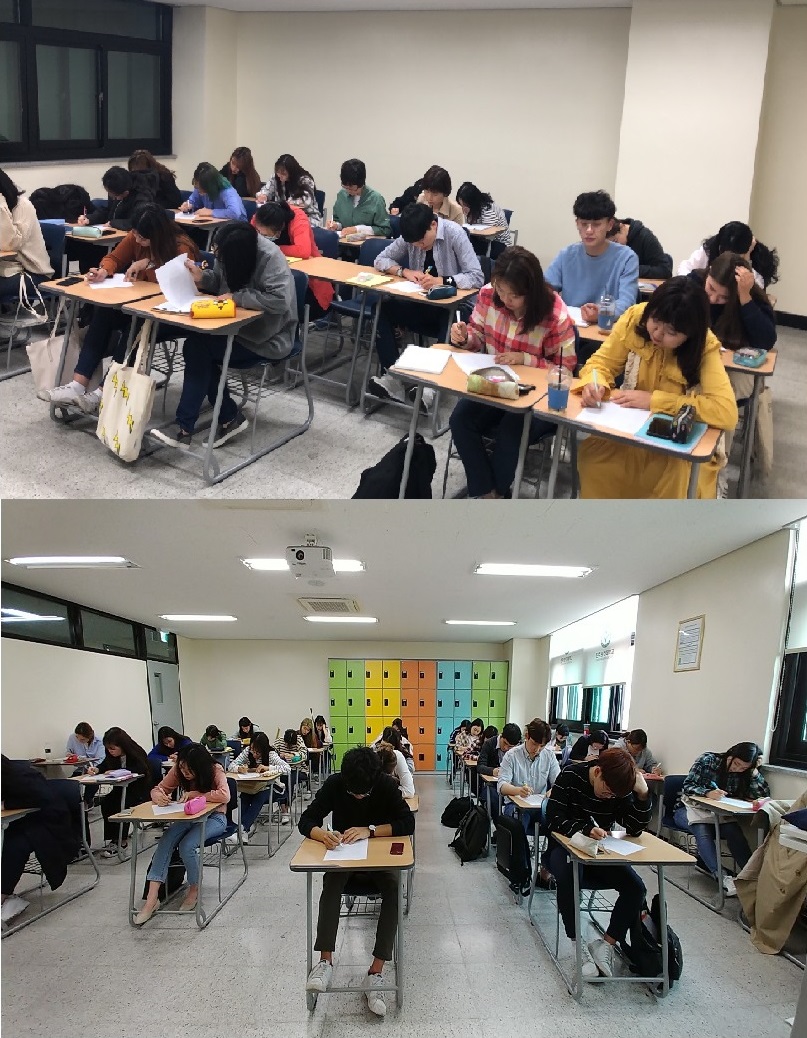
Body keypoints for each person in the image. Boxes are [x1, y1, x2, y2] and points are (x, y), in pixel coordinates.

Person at [573, 277, 738, 499]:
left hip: (674, 445)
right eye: (656, 321)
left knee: (675, 479)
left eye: (671, 332)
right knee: (595, 461)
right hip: (629, 434)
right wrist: (595, 384)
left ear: (689, 334)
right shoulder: (635, 318)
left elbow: (725, 411)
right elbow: (600, 363)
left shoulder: (704, 345)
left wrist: (654, 401)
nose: (658, 334)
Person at [150, 221, 297, 450]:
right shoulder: (228, 246)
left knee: (197, 349)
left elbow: (279, 300)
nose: (217, 255)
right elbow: (221, 282)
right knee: (197, 347)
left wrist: (237, 298)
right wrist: (202, 277)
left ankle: (186, 427)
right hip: (232, 328)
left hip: (268, 336)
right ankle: (226, 416)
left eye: (220, 254)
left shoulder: (270, 257)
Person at [447, 245, 577, 498]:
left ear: (531, 291)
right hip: (496, 383)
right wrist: (464, 338)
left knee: (511, 430)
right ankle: (488, 492)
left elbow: (566, 369)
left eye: (514, 296)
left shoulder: (554, 315)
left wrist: (525, 359)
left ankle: (493, 493)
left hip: (535, 396)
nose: (505, 300)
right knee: (460, 419)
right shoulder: (488, 294)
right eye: (501, 290)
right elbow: (477, 336)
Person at [46, 202, 200, 411]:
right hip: (140, 306)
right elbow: (114, 257)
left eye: (142, 238)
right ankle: (77, 385)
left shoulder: (182, 248)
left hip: (170, 313)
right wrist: (103, 270)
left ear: (157, 235)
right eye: (135, 234)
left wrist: (150, 262)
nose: (136, 240)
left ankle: (103, 391)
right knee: (103, 313)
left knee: (135, 327)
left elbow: (173, 287)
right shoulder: (137, 236)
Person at [299, 747, 415, 1017]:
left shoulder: (386, 785)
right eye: (353, 793)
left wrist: (370, 831)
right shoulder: (336, 783)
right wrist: (322, 835)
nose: (358, 797)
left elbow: (407, 822)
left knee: (393, 887)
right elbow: (306, 820)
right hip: (344, 856)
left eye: (364, 793)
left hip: (379, 859)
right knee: (331, 882)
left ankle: (375, 972)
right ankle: (325, 962)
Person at [545, 747, 652, 979]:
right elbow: (553, 818)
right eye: (607, 791)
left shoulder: (617, 789)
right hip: (563, 847)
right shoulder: (571, 775)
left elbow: (634, 828)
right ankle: (578, 944)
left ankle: (606, 944)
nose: (609, 797)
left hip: (598, 853)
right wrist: (584, 829)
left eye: (615, 795)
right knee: (570, 876)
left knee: (636, 888)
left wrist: (643, 795)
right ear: (597, 771)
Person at [370, 202, 484, 403]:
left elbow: (476, 276)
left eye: (422, 241)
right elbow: (381, 259)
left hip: (455, 307)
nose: (419, 247)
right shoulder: (412, 235)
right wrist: (404, 271)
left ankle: (430, 386)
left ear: (433, 224)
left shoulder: (455, 233)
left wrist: (443, 281)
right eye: (414, 244)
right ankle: (393, 376)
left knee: (449, 318)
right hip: (423, 304)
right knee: (382, 309)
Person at [135, 742, 230, 925]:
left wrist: (196, 794)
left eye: (189, 770)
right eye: (182, 768)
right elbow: (158, 789)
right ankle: (152, 899)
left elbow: (225, 795)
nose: (185, 773)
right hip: (188, 816)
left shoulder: (215, 770)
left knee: (187, 845)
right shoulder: (179, 769)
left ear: (199, 766)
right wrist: (158, 796)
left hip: (215, 818)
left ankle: (194, 888)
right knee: (166, 839)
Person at [673, 741, 770, 898]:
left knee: (733, 832)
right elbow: (687, 786)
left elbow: (763, 794)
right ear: (731, 755)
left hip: (717, 815)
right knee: (702, 829)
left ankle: (751, 877)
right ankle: (723, 878)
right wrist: (707, 792)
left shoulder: (746, 772)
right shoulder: (708, 760)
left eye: (743, 768)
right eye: (736, 764)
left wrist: (754, 773)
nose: (737, 769)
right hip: (686, 810)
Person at [1, 756, 80, 924]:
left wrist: (5, 804)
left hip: (47, 822)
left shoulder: (23, 776)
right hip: (20, 821)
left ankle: (3, 893)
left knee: (13, 846)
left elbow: (43, 799)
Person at [544, 190, 639, 327]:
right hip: (570, 328)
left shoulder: (627, 258)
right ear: (577, 224)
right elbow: (544, 288)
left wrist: (602, 312)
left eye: (596, 224)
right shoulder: (566, 255)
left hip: (606, 330)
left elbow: (627, 302)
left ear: (610, 224)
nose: (589, 230)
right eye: (584, 224)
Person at [254, 200, 333, 318]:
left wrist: (273, 249)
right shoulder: (260, 217)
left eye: (266, 235)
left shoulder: (298, 218)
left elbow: (303, 250)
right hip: (272, 276)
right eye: (260, 233)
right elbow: (251, 242)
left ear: (279, 230)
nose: (262, 237)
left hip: (308, 281)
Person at [498, 719, 560, 870]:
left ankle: (546, 867)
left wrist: (553, 790)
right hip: (517, 806)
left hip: (540, 807)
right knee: (519, 822)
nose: (537, 749)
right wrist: (518, 790)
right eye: (535, 744)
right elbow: (501, 786)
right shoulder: (512, 755)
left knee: (559, 822)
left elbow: (559, 783)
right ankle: (522, 868)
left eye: (542, 746)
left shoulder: (549, 756)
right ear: (527, 736)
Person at [85, 727, 151, 858]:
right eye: (108, 749)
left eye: (113, 748)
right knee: (107, 803)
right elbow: (105, 765)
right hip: (120, 789)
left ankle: (122, 841)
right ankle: (114, 839)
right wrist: (96, 769)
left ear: (122, 745)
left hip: (138, 790)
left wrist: (120, 772)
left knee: (123, 806)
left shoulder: (136, 752)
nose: (110, 751)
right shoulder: (111, 755)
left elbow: (141, 768)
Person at [677, 220, 779, 289]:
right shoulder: (711, 247)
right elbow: (686, 266)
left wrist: (746, 260)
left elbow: (758, 289)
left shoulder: (758, 257)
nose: (727, 259)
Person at [227, 730, 292, 838]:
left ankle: (242, 829)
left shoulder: (271, 754)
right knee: (244, 796)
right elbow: (231, 766)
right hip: (253, 787)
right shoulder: (247, 751)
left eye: (257, 752)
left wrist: (268, 768)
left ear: (263, 749)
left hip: (273, 788)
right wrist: (239, 768)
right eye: (252, 750)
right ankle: (243, 831)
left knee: (260, 796)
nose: (254, 754)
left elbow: (287, 768)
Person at [0, 169, 53, 298]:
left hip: (31, 272)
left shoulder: (22, 206)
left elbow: (9, 245)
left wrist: (1, 207)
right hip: (5, 269)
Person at [326, 158, 391, 237]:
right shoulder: (342, 195)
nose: (348, 191)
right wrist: (335, 225)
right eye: (345, 187)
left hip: (366, 243)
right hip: (343, 242)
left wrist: (358, 229)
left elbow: (385, 230)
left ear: (361, 184)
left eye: (352, 188)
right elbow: (339, 221)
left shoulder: (376, 199)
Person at [78, 166, 155, 230]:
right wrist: (90, 219)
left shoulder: (142, 197)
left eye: (115, 196)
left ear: (126, 192)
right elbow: (108, 211)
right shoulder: (115, 189)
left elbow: (139, 222)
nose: (113, 198)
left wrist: (113, 223)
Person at [256, 154, 322, 228]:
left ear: (291, 172)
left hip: (306, 217)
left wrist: (281, 205)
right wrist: (263, 195)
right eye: (278, 172)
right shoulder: (276, 177)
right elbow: (266, 190)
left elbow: (304, 202)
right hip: (283, 217)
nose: (280, 175)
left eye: (283, 173)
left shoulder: (305, 181)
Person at [477, 722, 522, 824]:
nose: (506, 748)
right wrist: (492, 771)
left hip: (512, 785)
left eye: (510, 746)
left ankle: (511, 827)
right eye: (505, 743)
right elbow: (480, 766)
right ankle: (500, 826)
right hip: (492, 785)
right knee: (494, 799)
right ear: (501, 735)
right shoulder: (489, 744)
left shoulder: (519, 750)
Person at [606, 217, 672, 279]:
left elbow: (665, 271)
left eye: (615, 241)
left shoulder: (645, 237)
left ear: (622, 227)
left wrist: (630, 269)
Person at [179, 162, 247, 221]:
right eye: (197, 187)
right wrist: (188, 206)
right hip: (213, 225)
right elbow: (193, 201)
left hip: (236, 227)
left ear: (210, 186)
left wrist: (211, 212)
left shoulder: (227, 191)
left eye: (202, 188)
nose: (199, 190)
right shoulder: (200, 185)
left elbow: (235, 213)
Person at [455, 181, 512, 247]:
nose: (463, 209)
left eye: (465, 205)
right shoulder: (471, 210)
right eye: (461, 205)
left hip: (498, 243)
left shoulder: (488, 209)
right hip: (482, 241)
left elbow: (488, 235)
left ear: (473, 202)